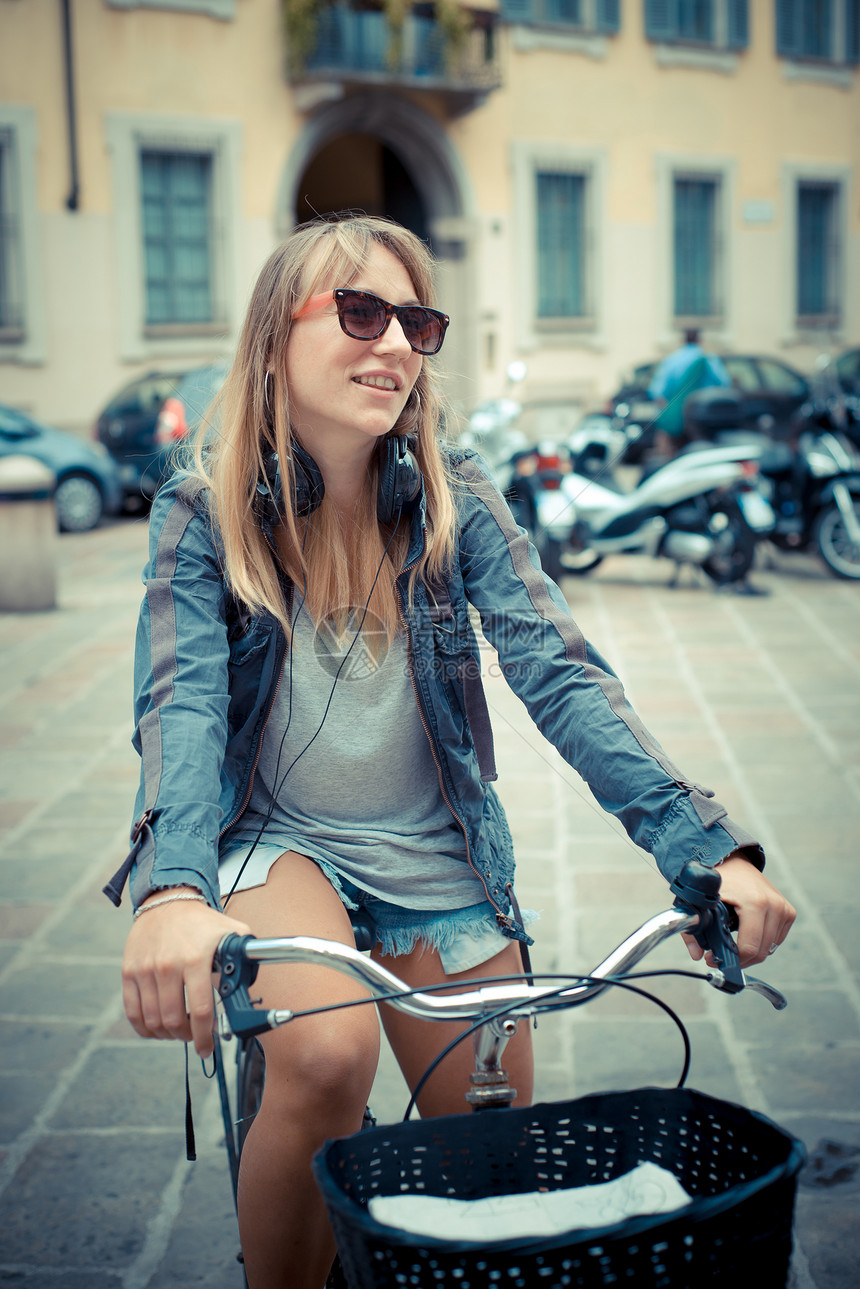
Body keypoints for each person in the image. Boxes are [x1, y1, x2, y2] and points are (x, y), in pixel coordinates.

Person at [107, 215, 795, 1289]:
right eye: (359, 311)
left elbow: (560, 673)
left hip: (434, 851)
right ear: (270, 341)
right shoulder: (200, 513)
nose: (394, 343)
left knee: (494, 1128)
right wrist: (171, 893)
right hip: (278, 842)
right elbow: (180, 709)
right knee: (326, 1056)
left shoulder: (452, 494)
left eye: (414, 321)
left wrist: (704, 848)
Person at [648, 328, 733, 456]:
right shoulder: (709, 360)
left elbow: (656, 392)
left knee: (671, 455)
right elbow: (725, 385)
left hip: (677, 420)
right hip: (703, 421)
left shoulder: (671, 361)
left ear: (683, 340)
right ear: (700, 340)